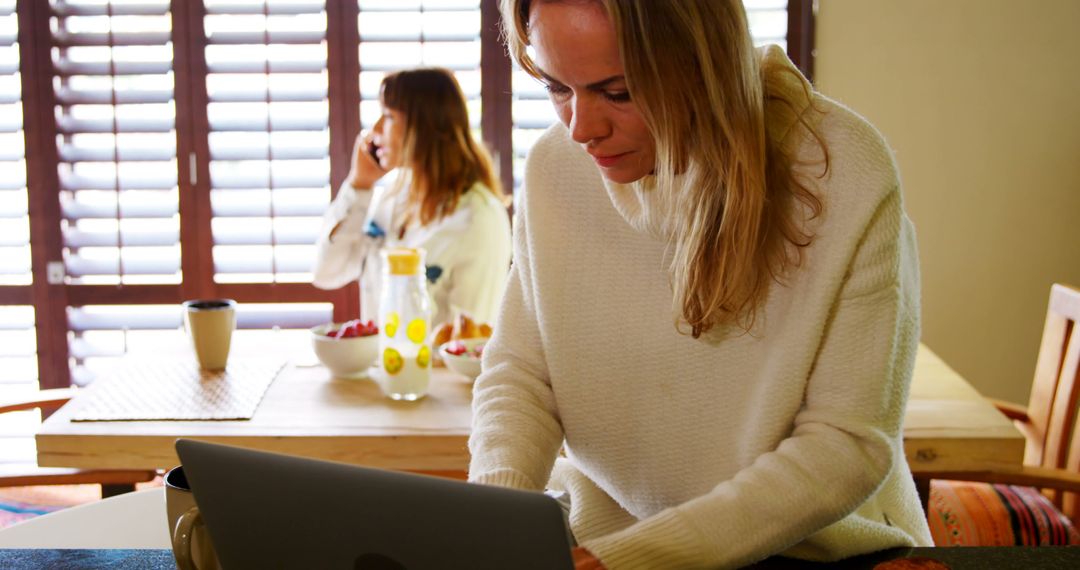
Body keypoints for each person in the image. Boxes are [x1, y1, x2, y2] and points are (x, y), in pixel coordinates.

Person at [467, 1, 933, 568]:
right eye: (556, 87)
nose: (581, 130)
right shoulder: (554, 168)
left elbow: (846, 446)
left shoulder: (843, 170)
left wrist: (641, 557)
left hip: (807, 549)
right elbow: (520, 374)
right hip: (604, 538)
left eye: (618, 92)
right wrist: (494, 520)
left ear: (704, 65)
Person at [313, 68, 512, 327]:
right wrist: (359, 186)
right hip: (381, 366)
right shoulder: (394, 197)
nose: (374, 129)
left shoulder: (480, 219)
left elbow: (469, 342)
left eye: (388, 116)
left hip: (432, 368)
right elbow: (326, 272)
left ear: (423, 126)